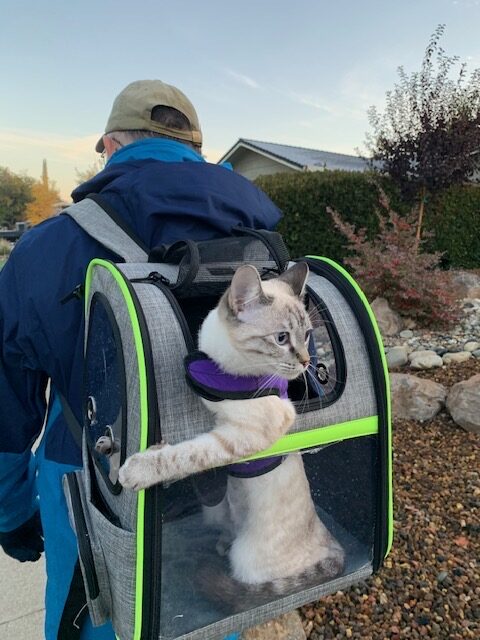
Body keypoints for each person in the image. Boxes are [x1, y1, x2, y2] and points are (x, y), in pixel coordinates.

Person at [0, 79, 281, 639]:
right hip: (224, 470)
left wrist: (11, 515)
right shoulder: (264, 239)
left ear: (108, 145)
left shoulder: (47, 247)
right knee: (206, 614)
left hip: (92, 480)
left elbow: (7, 406)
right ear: (197, 151)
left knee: (105, 617)